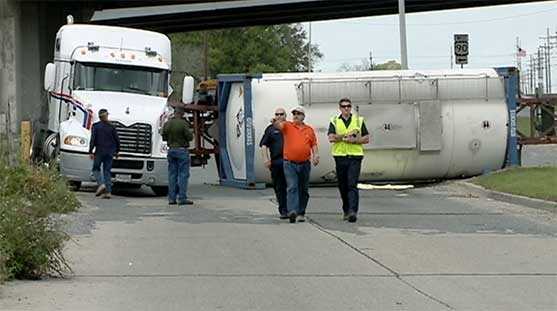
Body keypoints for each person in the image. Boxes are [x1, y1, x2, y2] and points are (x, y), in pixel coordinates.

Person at [327, 98, 370, 223]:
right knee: (343, 185)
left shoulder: (358, 120)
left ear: (351, 107)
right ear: (340, 108)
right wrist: (345, 136)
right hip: (340, 156)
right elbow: (331, 138)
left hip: (355, 156)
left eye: (348, 106)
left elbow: (366, 138)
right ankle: (346, 209)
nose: (346, 108)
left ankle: (352, 211)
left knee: (352, 184)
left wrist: (354, 140)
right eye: (343, 106)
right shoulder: (334, 120)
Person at [274, 106, 319, 223]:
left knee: (303, 189)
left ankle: (301, 212)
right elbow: (279, 126)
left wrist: (316, 155)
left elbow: (313, 144)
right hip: (289, 163)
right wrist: (275, 122)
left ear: (303, 116)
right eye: (294, 114)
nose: (296, 116)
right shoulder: (288, 126)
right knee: (292, 186)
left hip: (305, 163)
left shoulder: (309, 130)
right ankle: (292, 211)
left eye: (298, 114)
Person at [162, 105, 194, 206]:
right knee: (183, 175)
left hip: (171, 150)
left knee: (172, 175)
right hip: (182, 150)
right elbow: (190, 137)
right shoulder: (183, 124)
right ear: (182, 114)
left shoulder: (168, 123)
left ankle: (171, 198)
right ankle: (182, 198)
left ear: (174, 113)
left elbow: (164, 136)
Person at [260, 108, 288, 219]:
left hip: (289, 161)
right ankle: (283, 210)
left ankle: (292, 209)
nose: (279, 116)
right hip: (276, 162)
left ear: (285, 115)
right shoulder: (270, 129)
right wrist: (265, 159)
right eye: (277, 114)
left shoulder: (290, 127)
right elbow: (263, 145)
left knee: (291, 186)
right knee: (279, 187)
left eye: (282, 114)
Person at [89, 109, 120, 199]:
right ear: (106, 116)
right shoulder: (112, 127)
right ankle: (108, 192)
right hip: (110, 152)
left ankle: (101, 184)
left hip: (99, 151)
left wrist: (90, 151)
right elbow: (117, 140)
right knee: (107, 171)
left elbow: (93, 140)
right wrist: (117, 151)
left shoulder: (96, 126)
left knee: (95, 169)